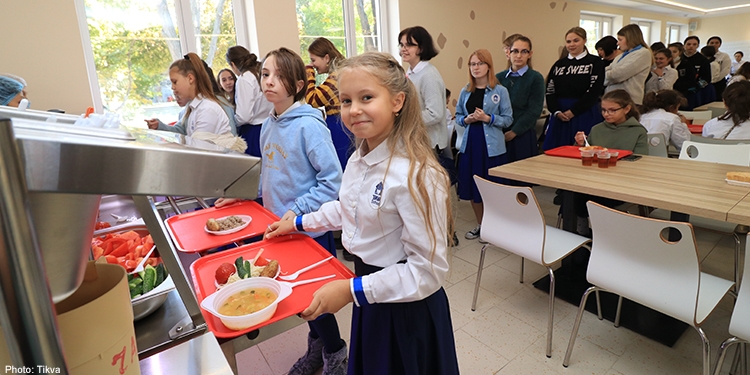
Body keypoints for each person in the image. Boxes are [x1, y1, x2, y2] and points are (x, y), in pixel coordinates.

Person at [264, 51, 460, 375]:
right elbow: (348, 209)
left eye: (366, 97)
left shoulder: (417, 174)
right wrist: (298, 222)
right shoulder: (359, 156)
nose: (353, 110)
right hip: (371, 294)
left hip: (407, 309)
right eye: (345, 100)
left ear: (397, 101)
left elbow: (426, 271)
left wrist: (351, 289)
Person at [218, 47, 346, 375]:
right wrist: (243, 195)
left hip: (309, 229)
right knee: (301, 301)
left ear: (299, 84)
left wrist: (297, 211)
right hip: (279, 229)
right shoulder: (268, 125)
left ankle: (336, 354)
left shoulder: (309, 126)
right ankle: (318, 347)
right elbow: (269, 173)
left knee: (317, 300)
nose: (269, 81)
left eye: (279, 75)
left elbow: (333, 180)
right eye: (265, 74)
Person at [456, 49, 513, 242]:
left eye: (480, 63)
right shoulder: (466, 91)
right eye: (472, 64)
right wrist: (468, 119)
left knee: (493, 188)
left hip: (492, 147)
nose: (476, 68)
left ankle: (498, 225)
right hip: (471, 144)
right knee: (473, 186)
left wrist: (488, 118)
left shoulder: (500, 90)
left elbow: (508, 119)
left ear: (489, 66)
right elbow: (458, 118)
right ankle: (482, 225)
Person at [573, 89, 647, 234]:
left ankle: (603, 233)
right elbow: (586, 153)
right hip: (595, 179)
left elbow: (642, 161)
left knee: (595, 197)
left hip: (622, 182)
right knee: (574, 192)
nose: (607, 114)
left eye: (612, 110)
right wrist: (580, 144)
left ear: (627, 109)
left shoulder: (638, 131)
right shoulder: (597, 129)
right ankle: (581, 231)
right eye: (604, 110)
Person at [145, 53, 234, 139]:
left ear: (190, 79)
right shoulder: (194, 107)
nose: (172, 87)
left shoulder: (208, 109)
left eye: (175, 82)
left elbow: (199, 148)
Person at [543, 26, 605, 150]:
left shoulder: (595, 62)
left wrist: (574, 111)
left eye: (576, 40)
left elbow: (594, 90)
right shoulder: (558, 64)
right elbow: (550, 90)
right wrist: (556, 111)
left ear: (584, 41)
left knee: (584, 149)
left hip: (585, 111)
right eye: (568, 41)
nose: (572, 44)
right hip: (560, 114)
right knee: (557, 150)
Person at [398, 26, 448, 155]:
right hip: (414, 141)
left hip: (428, 143)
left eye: (409, 45)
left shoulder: (429, 75)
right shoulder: (410, 73)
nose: (403, 49)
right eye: (401, 45)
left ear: (421, 48)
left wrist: (406, 120)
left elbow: (435, 113)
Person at [306, 37, 352, 171]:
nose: (312, 64)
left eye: (313, 60)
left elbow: (312, 100)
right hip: (338, 124)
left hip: (340, 126)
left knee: (341, 165)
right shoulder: (339, 72)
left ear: (326, 58)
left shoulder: (337, 76)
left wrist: (308, 73)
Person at [496, 35, 544, 164]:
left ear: (530, 54)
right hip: (499, 134)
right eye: (515, 51)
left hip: (522, 134)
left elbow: (534, 110)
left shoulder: (535, 78)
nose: (519, 55)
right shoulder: (498, 78)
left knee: (520, 178)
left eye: (524, 52)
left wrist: (514, 132)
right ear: (509, 53)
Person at [226, 45, 274, 157]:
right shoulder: (261, 73)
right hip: (269, 127)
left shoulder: (244, 79)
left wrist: (233, 122)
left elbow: (244, 116)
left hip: (253, 132)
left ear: (233, 64)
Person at [604, 24, 652, 105]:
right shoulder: (620, 56)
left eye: (620, 39)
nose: (617, 43)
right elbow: (605, 71)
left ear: (630, 39)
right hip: (612, 98)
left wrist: (606, 76)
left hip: (629, 101)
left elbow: (617, 75)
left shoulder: (643, 53)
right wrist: (607, 75)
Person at [682, 36, 714, 109]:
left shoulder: (702, 59)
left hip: (694, 91)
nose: (691, 46)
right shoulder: (680, 58)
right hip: (679, 90)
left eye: (694, 44)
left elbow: (707, 78)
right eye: (688, 44)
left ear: (698, 46)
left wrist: (697, 87)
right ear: (684, 45)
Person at [669, 42, 698, 108]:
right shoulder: (666, 64)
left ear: (680, 52)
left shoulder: (686, 64)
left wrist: (677, 86)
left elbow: (691, 80)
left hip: (682, 93)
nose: (672, 54)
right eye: (670, 52)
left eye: (674, 51)